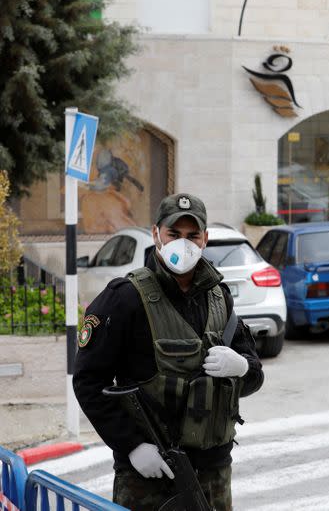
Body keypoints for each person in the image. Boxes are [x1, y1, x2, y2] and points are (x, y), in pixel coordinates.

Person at [73, 193, 264, 511]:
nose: (183, 243)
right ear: (156, 235)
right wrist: (131, 446)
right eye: (174, 234)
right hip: (150, 473)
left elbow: (255, 376)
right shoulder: (125, 299)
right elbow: (88, 381)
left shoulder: (220, 297)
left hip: (215, 470)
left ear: (205, 239)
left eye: (192, 236)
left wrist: (243, 367)